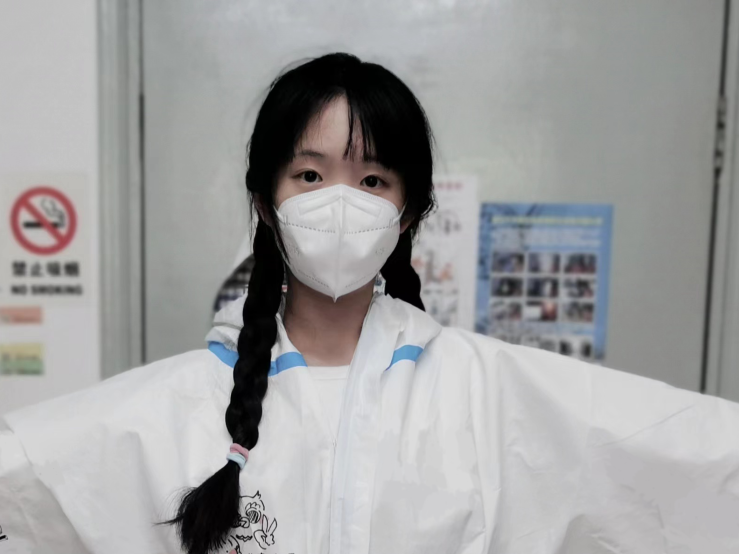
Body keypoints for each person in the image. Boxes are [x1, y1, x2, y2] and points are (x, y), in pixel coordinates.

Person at [1, 53, 738, 554]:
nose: (341, 203)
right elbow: (35, 479)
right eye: (310, 175)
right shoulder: (174, 405)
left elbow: (685, 453)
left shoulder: (487, 391)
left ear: (408, 211)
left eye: (373, 180)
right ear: (265, 202)